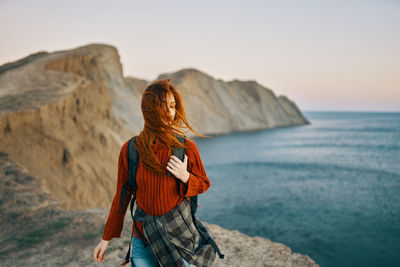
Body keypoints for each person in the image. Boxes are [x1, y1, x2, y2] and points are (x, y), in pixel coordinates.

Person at [93, 78, 214, 266]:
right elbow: (122, 195)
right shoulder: (130, 150)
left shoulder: (186, 147)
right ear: (148, 110)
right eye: (162, 105)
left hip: (178, 238)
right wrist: (106, 239)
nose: (169, 112)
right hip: (143, 239)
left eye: (172, 106)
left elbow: (204, 183)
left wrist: (186, 177)